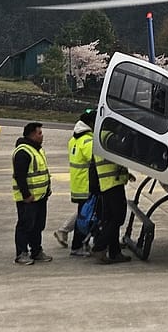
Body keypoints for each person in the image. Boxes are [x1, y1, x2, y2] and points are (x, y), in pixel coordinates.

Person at [53, 108, 96, 256]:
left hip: (78, 184)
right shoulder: (88, 141)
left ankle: (65, 232)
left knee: (83, 214)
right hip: (87, 185)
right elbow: (96, 159)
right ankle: (78, 245)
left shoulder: (74, 139)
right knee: (85, 217)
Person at [12, 121, 53, 265]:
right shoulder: (23, 152)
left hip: (40, 197)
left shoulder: (37, 149)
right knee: (25, 225)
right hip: (28, 198)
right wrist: (26, 195)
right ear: (32, 134)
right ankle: (21, 253)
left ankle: (36, 250)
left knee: (38, 226)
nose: (42, 136)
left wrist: (47, 190)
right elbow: (20, 176)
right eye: (39, 133)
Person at [90, 132, 132, 266]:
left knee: (111, 219)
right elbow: (123, 149)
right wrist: (130, 135)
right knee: (117, 218)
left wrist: (126, 173)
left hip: (108, 183)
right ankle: (100, 247)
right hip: (112, 183)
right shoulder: (107, 136)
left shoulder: (99, 135)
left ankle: (115, 252)